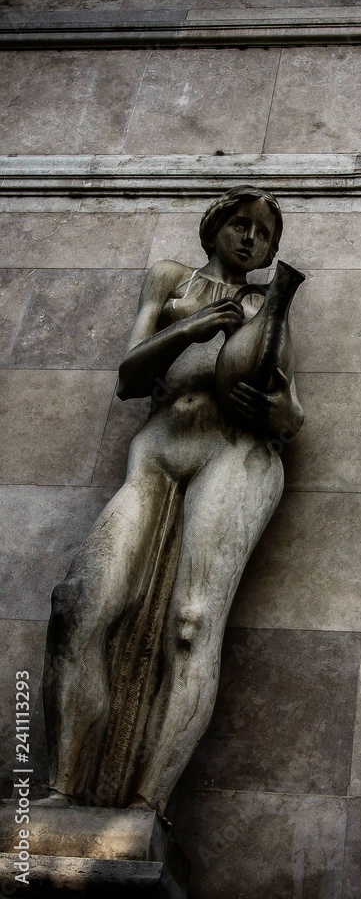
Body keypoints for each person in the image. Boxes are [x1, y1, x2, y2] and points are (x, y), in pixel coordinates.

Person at [43, 186, 304, 813]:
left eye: (263, 234)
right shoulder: (168, 279)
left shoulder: (267, 303)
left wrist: (276, 408)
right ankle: (59, 788)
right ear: (213, 228)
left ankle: (146, 806)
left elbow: (291, 409)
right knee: (79, 607)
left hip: (233, 454)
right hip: (158, 447)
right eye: (240, 225)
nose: (250, 239)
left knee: (191, 624)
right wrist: (192, 326)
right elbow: (130, 376)